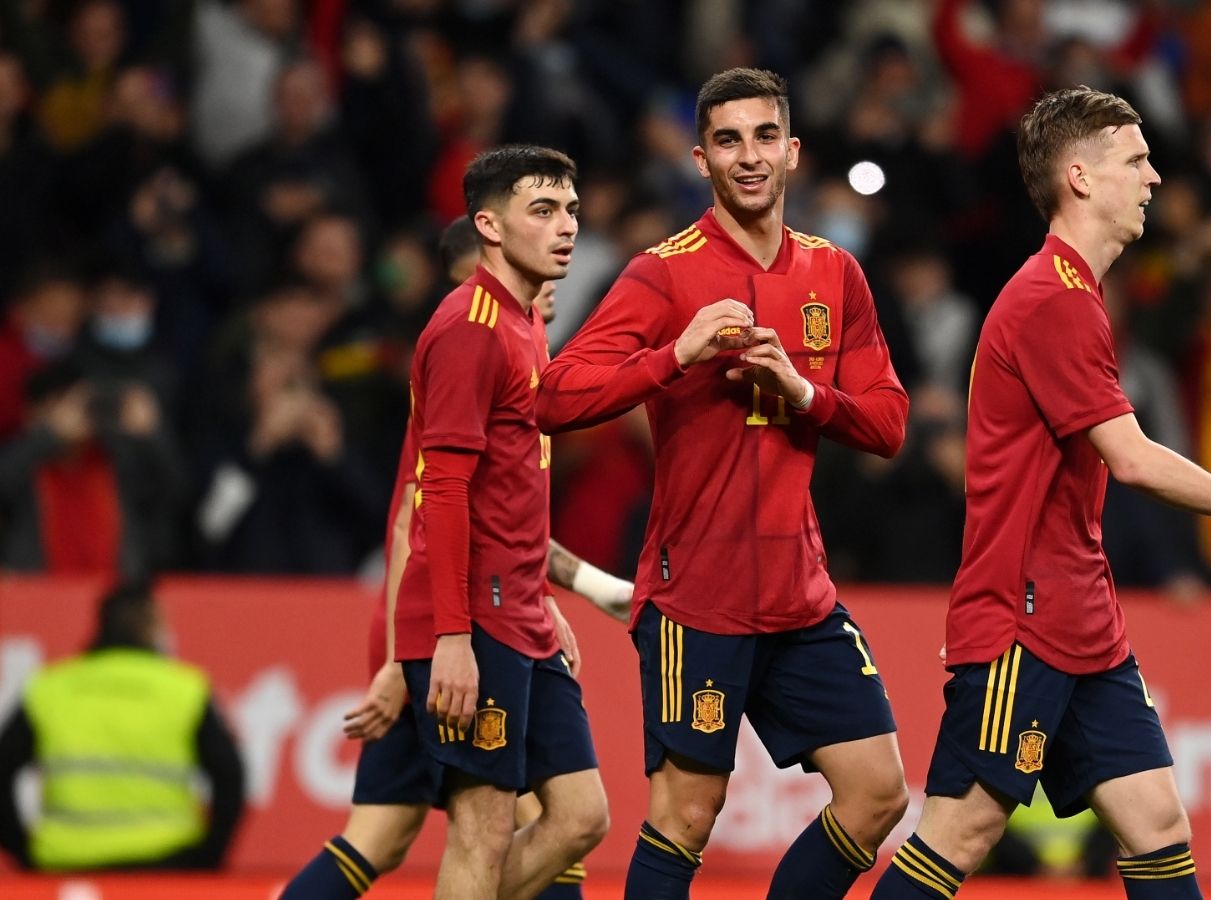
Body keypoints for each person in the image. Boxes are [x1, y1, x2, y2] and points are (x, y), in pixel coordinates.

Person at [868, 87, 1211, 900]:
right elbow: (1134, 460)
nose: (1155, 178)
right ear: (1080, 177)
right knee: (964, 828)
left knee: (1156, 822)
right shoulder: (1053, 301)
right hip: (1023, 618)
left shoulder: (1073, 294)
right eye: (1137, 160)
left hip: (1083, 616)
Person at [536, 68, 911, 900]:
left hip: (799, 596)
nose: (750, 157)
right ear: (700, 160)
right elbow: (553, 396)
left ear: (793, 152)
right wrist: (673, 356)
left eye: (765, 137)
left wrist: (806, 395)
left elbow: (888, 423)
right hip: (696, 596)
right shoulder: (662, 274)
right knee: (686, 812)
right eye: (729, 141)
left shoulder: (834, 273)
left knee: (879, 795)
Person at [280, 216, 633, 900]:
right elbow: (417, 521)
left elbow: (506, 527)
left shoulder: (521, 353)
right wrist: (394, 659)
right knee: (535, 821)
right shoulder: (469, 351)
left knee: (383, 836)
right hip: (451, 628)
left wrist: (559, 591)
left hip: (467, 617)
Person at [376, 145, 606, 900]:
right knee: (482, 829)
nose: (565, 226)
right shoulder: (470, 326)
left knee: (580, 816)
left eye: (570, 209)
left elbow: (506, 498)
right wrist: (450, 636)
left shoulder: (526, 324)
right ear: (491, 226)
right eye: (543, 210)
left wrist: (540, 594)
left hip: (519, 610)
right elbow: (439, 495)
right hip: (473, 618)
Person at [0, 583, 245, 871]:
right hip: (166, 864)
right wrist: (209, 857)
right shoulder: (184, 690)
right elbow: (230, 778)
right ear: (152, 627)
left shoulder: (49, 689)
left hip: (67, 864)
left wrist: (22, 852)